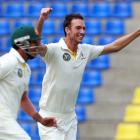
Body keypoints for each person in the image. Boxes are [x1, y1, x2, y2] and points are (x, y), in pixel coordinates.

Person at [35, 8, 140, 140]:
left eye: (84, 28)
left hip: (70, 118)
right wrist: (42, 19)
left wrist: (138, 32)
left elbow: (115, 47)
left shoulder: (85, 50)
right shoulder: (54, 50)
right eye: (78, 28)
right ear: (67, 30)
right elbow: (37, 44)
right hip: (49, 117)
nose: (82, 32)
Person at [0, 25, 57, 140]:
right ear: (22, 44)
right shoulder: (9, 61)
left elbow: (23, 99)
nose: (38, 47)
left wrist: (40, 119)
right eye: (34, 43)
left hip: (8, 121)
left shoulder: (26, 69)